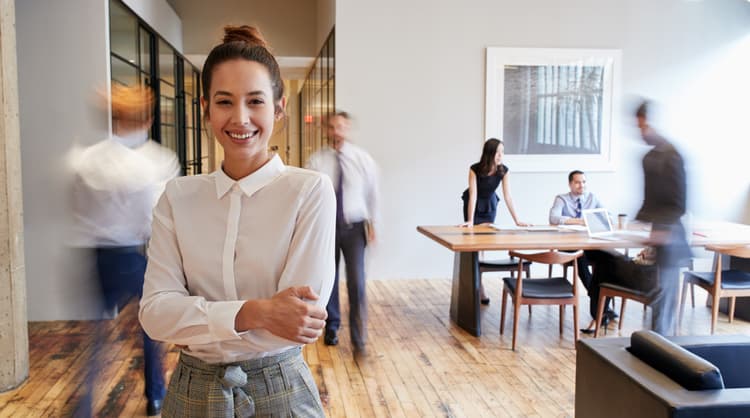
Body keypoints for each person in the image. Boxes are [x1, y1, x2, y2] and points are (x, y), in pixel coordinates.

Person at [139, 25, 335, 417]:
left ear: (279, 108)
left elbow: (300, 320)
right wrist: (258, 312)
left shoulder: (309, 191)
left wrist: (196, 318)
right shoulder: (178, 197)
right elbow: (156, 315)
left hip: (280, 388)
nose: (240, 118)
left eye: (255, 101)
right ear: (205, 108)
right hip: (192, 392)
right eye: (225, 101)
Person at [69, 84, 179, 416]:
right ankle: (156, 397)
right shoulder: (158, 162)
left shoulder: (84, 160)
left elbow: (77, 210)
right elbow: (157, 216)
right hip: (133, 255)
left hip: (96, 256)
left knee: (96, 337)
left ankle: (85, 404)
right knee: (149, 329)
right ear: (147, 119)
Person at [306, 111, 380, 357]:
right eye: (332, 127)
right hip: (327, 227)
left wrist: (374, 224)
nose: (336, 131)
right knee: (330, 279)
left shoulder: (362, 159)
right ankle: (332, 327)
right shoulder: (317, 161)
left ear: (347, 129)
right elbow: (310, 196)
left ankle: (359, 338)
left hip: (355, 227)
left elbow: (372, 194)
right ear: (326, 130)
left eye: (340, 126)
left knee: (358, 282)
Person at [634, 100, 691, 335]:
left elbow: (680, 203)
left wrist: (663, 231)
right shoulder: (648, 158)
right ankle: (654, 345)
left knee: (664, 296)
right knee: (656, 295)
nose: (642, 133)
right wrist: (641, 223)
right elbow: (649, 200)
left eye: (644, 127)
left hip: (671, 235)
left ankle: (662, 347)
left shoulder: (673, 156)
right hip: (657, 232)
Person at [460, 138, 529, 304]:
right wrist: (470, 220)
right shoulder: (475, 169)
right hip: (474, 205)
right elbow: (474, 195)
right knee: (474, 248)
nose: (500, 156)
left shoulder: (503, 170)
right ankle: (479, 287)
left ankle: (479, 285)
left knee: (483, 245)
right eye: (498, 152)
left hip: (490, 206)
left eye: (502, 152)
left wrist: (517, 219)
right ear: (489, 153)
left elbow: (507, 196)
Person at [548, 170, 614, 326]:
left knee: (609, 257)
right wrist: (579, 221)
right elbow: (553, 218)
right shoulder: (561, 199)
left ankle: (600, 300)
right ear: (570, 184)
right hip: (569, 246)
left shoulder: (592, 198)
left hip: (590, 244)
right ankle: (596, 296)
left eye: (584, 182)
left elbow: (608, 216)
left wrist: (594, 219)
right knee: (580, 257)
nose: (581, 185)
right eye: (577, 182)